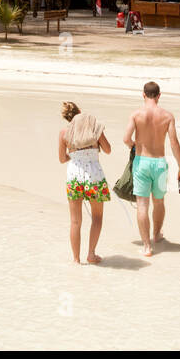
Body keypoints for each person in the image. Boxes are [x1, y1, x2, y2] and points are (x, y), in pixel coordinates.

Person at [123, 81, 180, 257]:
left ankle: (147, 247)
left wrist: (135, 146)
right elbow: (174, 142)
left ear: (143, 95)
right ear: (159, 95)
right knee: (159, 201)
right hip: (159, 163)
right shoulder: (168, 116)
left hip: (142, 162)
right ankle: (157, 235)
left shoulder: (136, 115)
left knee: (142, 204)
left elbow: (126, 138)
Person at [58, 101, 111, 264]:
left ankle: (76, 259)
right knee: (97, 217)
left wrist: (74, 155)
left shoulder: (64, 133)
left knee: (75, 221)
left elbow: (61, 159)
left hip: (74, 176)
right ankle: (91, 254)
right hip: (94, 176)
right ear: (80, 112)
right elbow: (108, 149)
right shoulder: (94, 129)